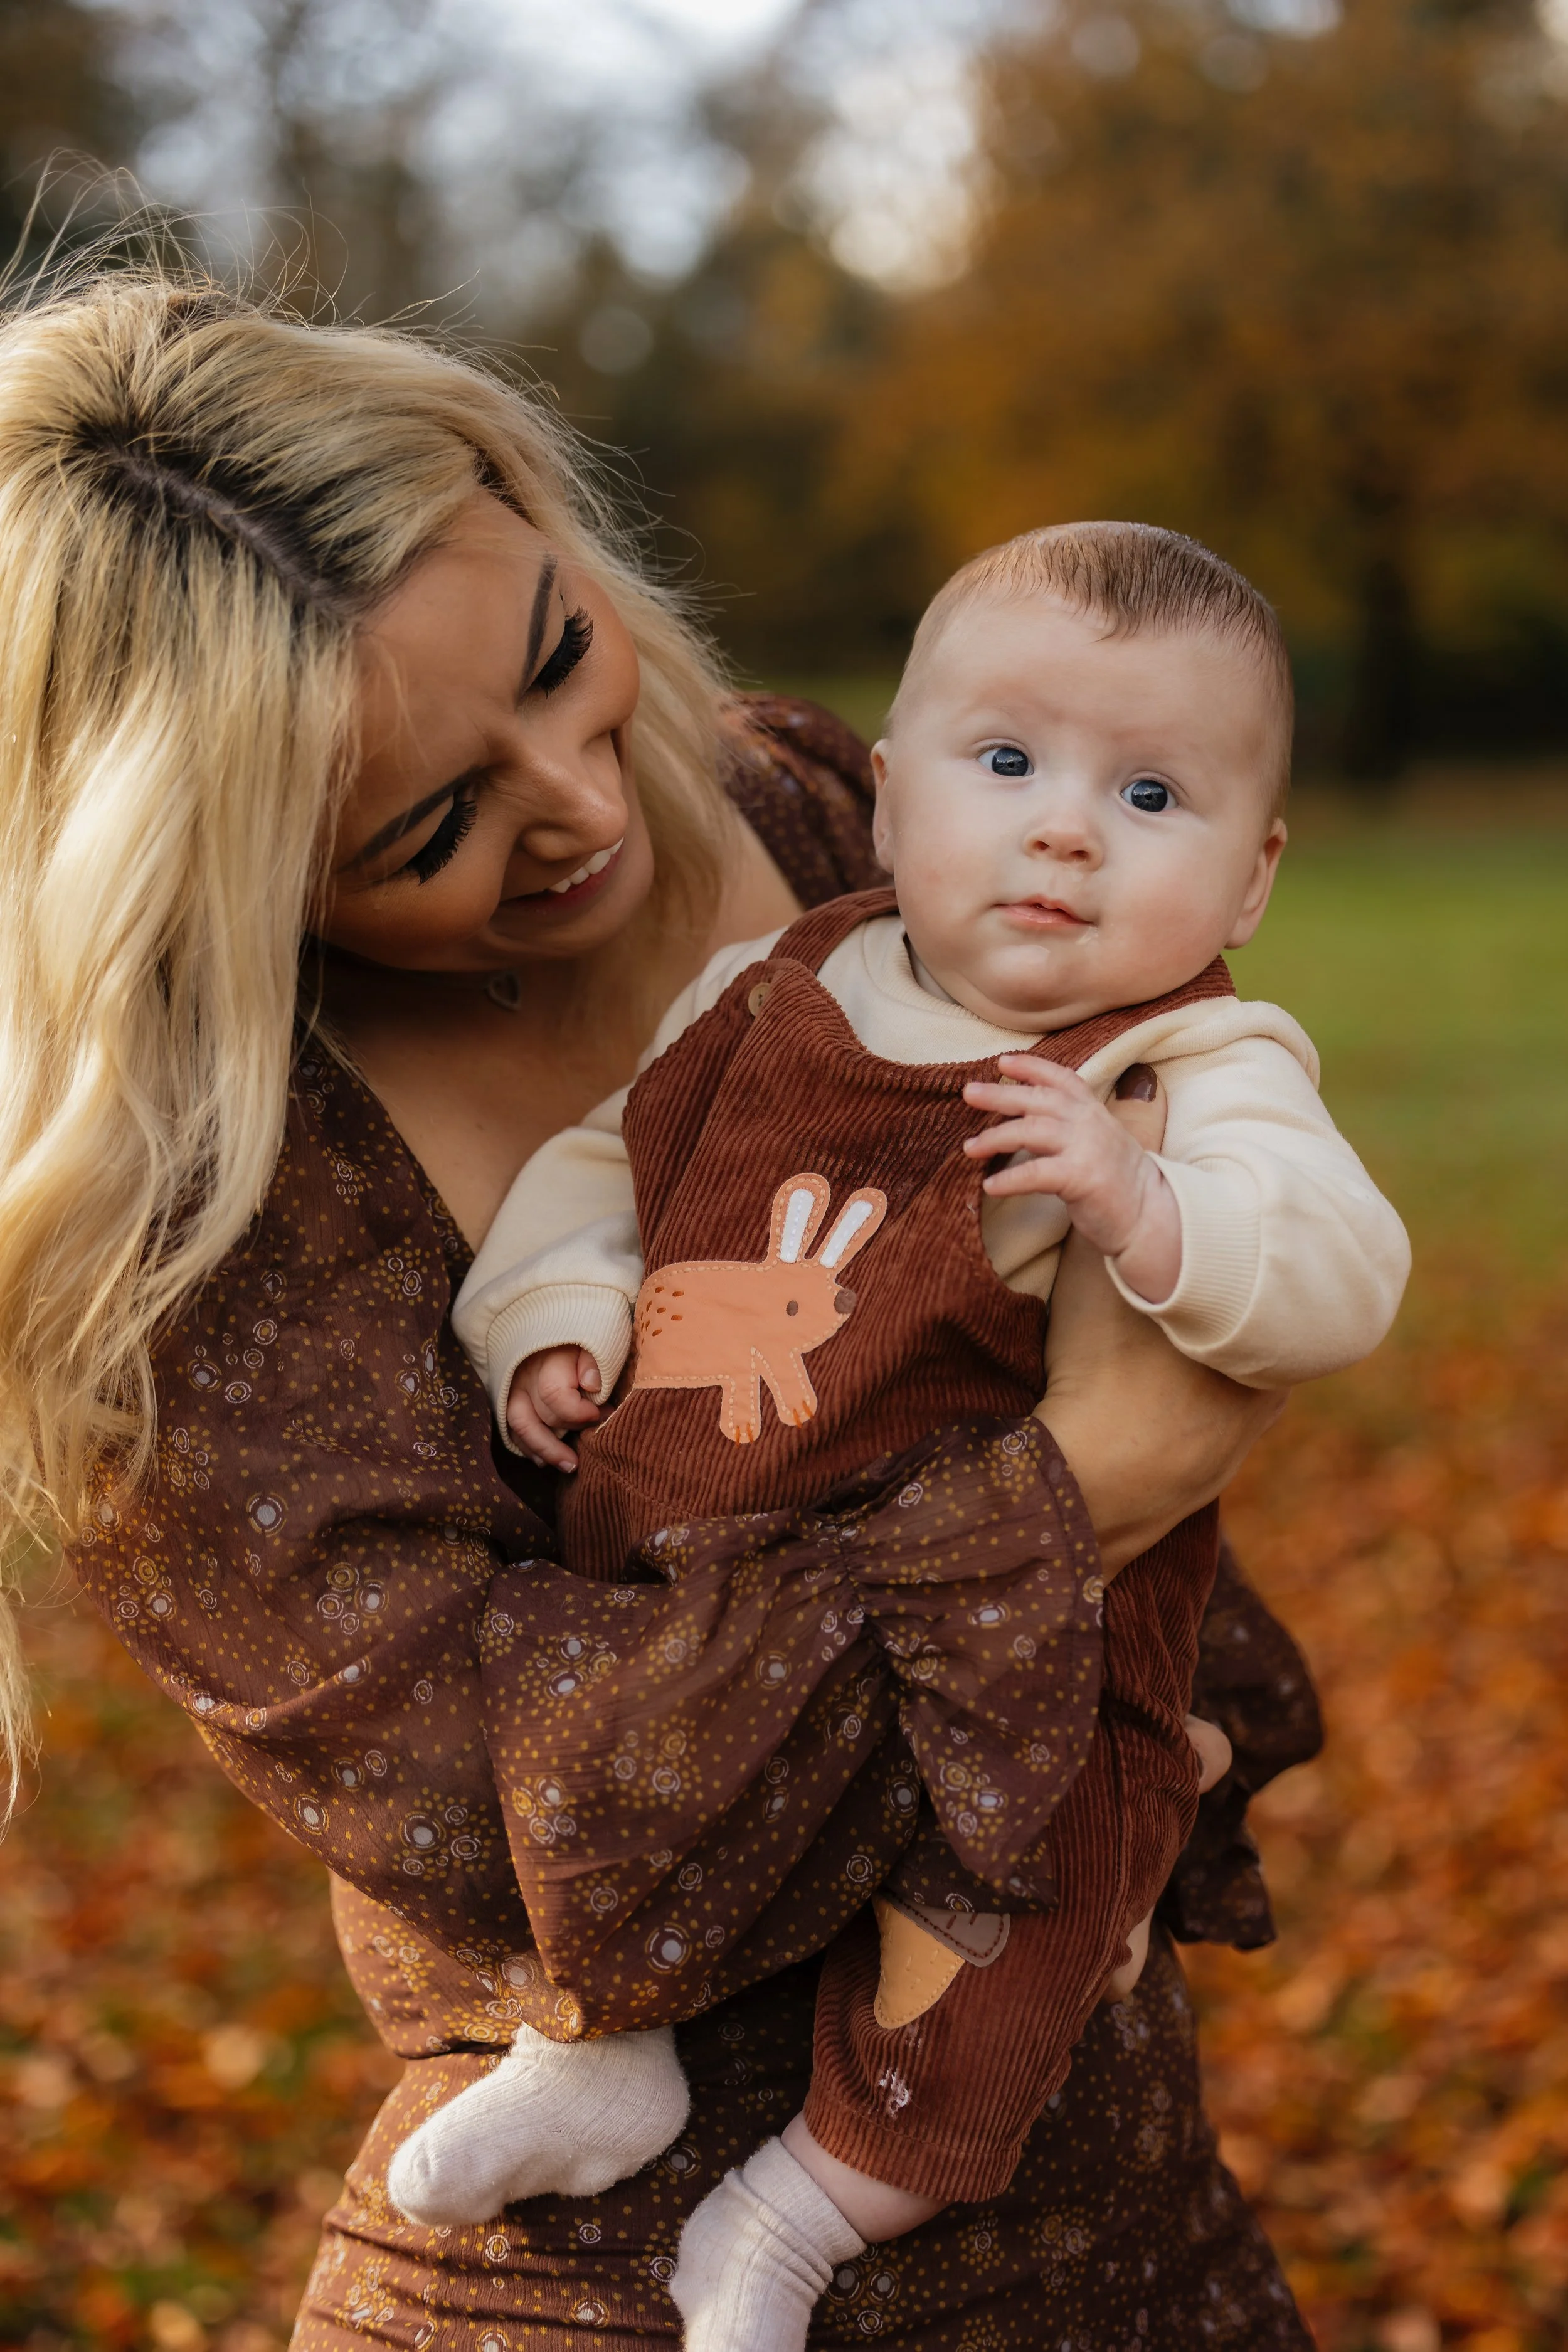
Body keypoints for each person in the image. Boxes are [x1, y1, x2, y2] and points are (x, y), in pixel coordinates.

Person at [0, 260, 1319, 2349]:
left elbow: (1201, 1192)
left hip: (1119, 2220)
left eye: (556, 655)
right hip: (608, 2294)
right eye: (434, 823)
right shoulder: (195, 1228)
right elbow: (505, 1812)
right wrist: (1075, 1493)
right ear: (218, 871)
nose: (590, 804)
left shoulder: (820, 819)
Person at [408, 523, 1407, 2350]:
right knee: (613, 1768)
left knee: (1001, 1962)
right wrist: (551, 1316)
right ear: (887, 799)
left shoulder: (1189, 1065)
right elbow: (602, 1179)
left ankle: (793, 2218)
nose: (1064, 829)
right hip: (694, 1588)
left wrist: (1151, 1211)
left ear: (1252, 877)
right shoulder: (771, 990)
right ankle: (601, 2047)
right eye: (1006, 763)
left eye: (1153, 792)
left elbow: (1345, 1271)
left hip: (1018, 1644)